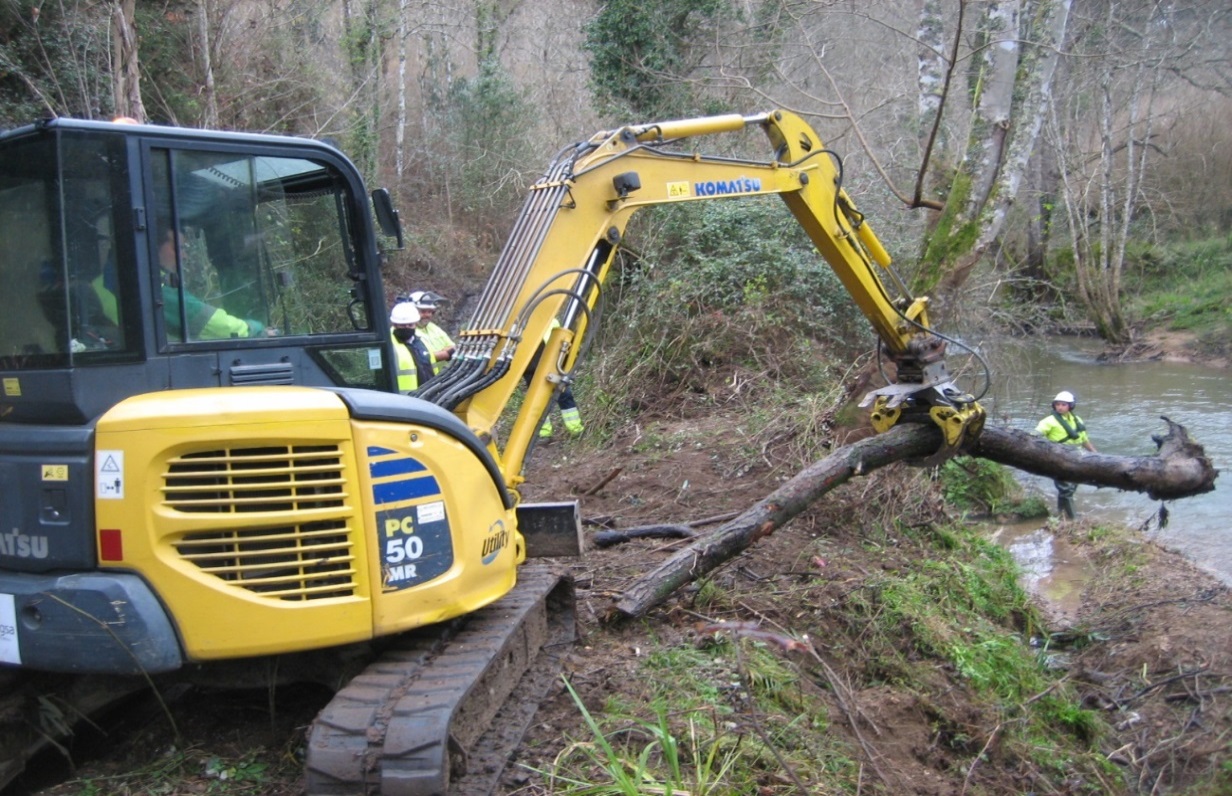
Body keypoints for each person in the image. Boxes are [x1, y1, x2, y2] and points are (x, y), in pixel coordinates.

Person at [156, 226, 274, 340]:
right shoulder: (159, 292)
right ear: (154, 247)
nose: (184, 256)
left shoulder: (157, 284)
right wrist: (255, 330)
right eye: (178, 248)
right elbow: (215, 325)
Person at [1035, 390, 1097, 520]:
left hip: (1077, 456)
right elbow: (1035, 435)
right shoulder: (1049, 421)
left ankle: (1061, 514)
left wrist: (1095, 454)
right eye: (1057, 404)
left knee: (1072, 486)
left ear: (1070, 406)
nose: (1060, 407)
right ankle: (1074, 519)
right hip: (1059, 457)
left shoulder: (1077, 420)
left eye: (1063, 404)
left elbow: (1084, 440)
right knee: (1066, 488)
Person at [525, 318, 583, 439]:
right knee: (539, 402)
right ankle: (544, 433)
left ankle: (575, 429)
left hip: (552, 366)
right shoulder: (527, 322)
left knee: (563, 396)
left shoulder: (551, 320)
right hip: (535, 368)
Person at [390, 300, 435, 394]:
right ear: (394, 325)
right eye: (402, 325)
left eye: (410, 325)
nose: (407, 327)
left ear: (415, 324)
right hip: (404, 398)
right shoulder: (390, 345)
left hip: (428, 394)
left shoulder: (422, 342)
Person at [408, 290, 455, 374]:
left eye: (430, 311)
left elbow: (453, 347)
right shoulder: (407, 331)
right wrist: (445, 354)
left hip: (442, 377)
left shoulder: (433, 328)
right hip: (422, 379)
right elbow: (419, 357)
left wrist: (440, 354)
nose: (428, 315)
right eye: (423, 311)